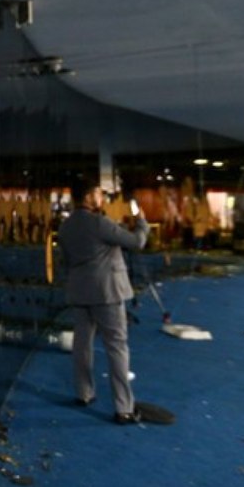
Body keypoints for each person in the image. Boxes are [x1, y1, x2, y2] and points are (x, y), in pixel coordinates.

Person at [57, 178, 149, 424]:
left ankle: (84, 393)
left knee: (82, 345)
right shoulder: (100, 223)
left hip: (79, 292)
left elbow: (64, 262)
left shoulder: (65, 228)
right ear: (88, 197)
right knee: (117, 346)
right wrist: (142, 221)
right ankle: (124, 408)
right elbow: (137, 242)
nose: (102, 197)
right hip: (107, 294)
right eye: (98, 193)